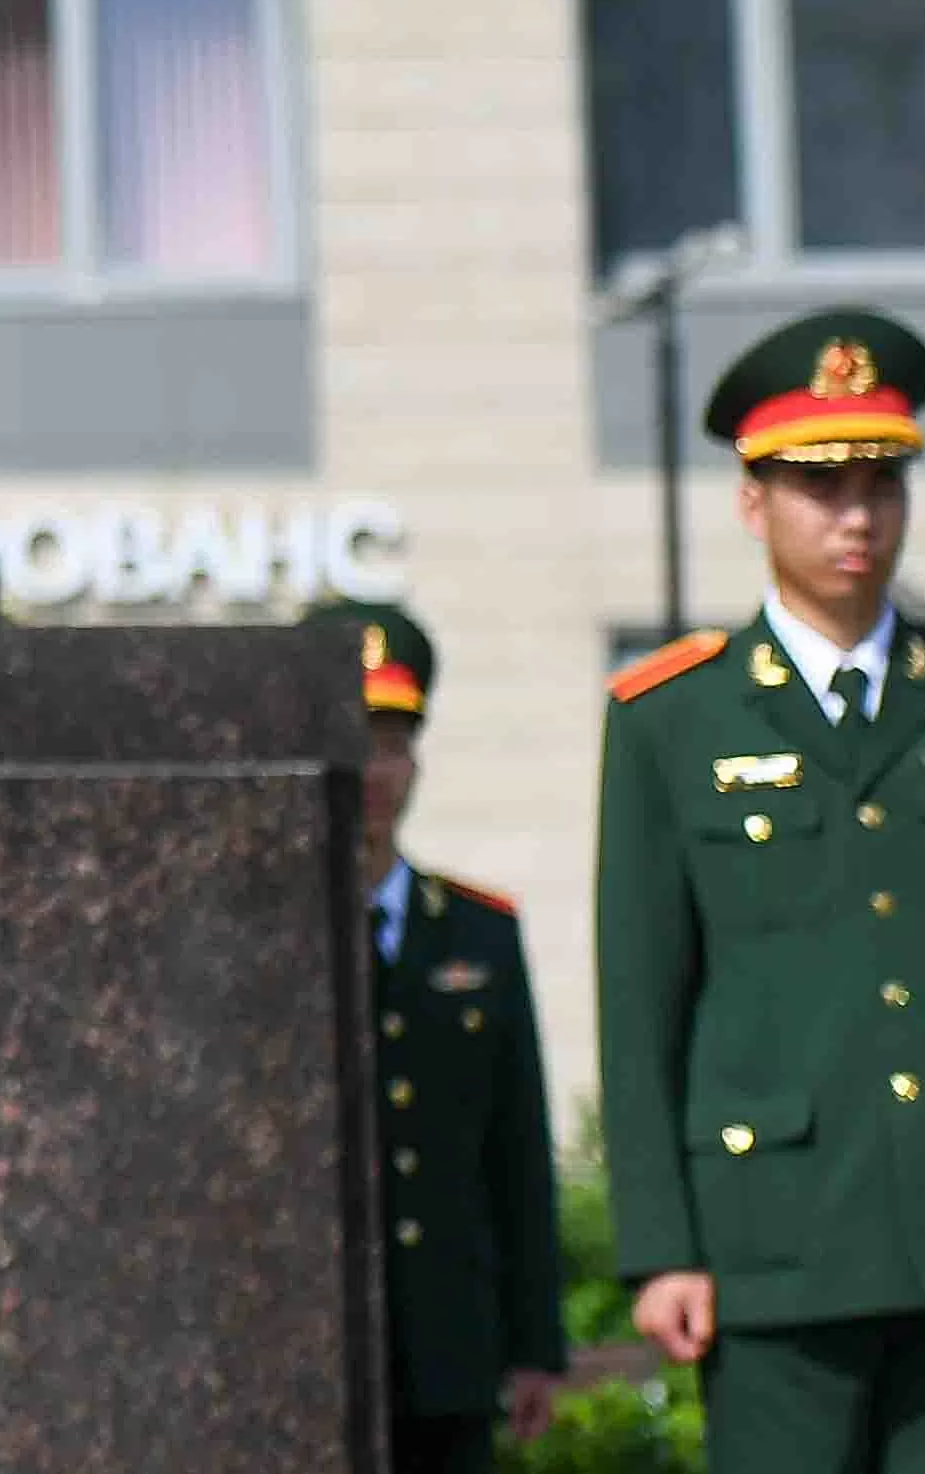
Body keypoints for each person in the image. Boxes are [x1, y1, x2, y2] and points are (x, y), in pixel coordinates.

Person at [597, 309, 925, 1473]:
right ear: (751, 501)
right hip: (773, 1244)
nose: (856, 517)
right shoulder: (670, 720)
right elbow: (640, 1008)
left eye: (881, 483)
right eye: (820, 486)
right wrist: (659, 1248)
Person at [308, 598, 565, 1470]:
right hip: (305, 1343)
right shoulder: (269, 938)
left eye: (394, 740)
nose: (375, 769)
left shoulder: (477, 932)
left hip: (445, 1350)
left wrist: (535, 1342)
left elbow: (517, 1149)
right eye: (355, 739)